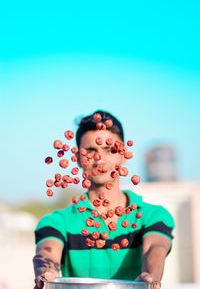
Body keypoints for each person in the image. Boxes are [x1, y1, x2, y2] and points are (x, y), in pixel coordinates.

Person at [33, 110, 175, 289]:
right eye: (90, 151)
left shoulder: (152, 216)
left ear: (123, 154)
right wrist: (46, 274)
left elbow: (154, 249)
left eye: (109, 150)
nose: (99, 160)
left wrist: (150, 276)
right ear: (77, 158)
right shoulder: (58, 222)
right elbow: (47, 254)